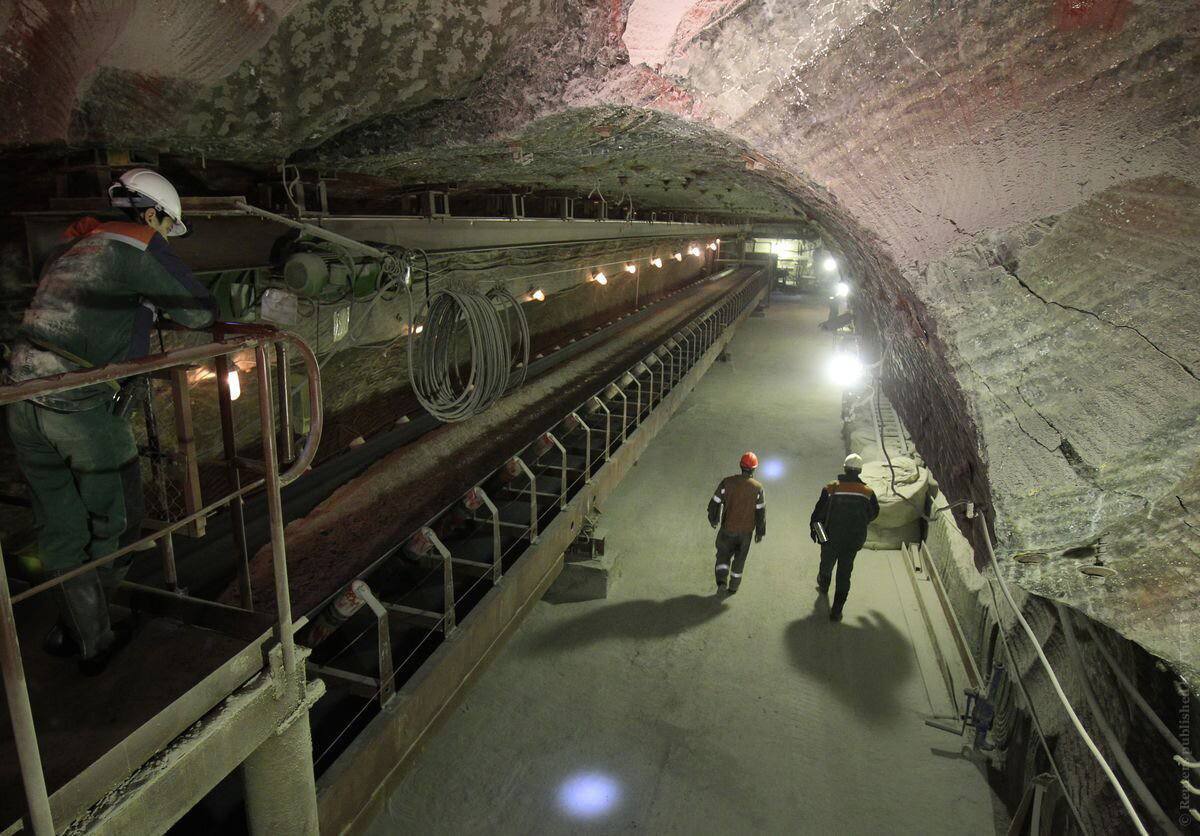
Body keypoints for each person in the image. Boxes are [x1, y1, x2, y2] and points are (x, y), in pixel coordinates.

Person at [5, 168, 217, 674]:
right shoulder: (138, 242)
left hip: (19, 397)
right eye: (166, 226)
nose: (165, 236)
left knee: (59, 526)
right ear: (151, 214)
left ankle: (77, 629)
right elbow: (199, 311)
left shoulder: (72, 245)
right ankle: (92, 638)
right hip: (76, 406)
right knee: (117, 519)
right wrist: (150, 299)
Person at [809, 453, 879, 621]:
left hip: (830, 538)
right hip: (852, 541)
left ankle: (824, 584)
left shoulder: (831, 488)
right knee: (844, 574)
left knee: (826, 564)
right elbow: (873, 513)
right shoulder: (868, 493)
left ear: (845, 468)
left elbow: (818, 515)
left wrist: (818, 534)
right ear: (860, 471)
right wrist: (860, 523)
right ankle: (837, 611)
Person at [706, 451, 766, 594]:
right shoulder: (758, 488)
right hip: (746, 533)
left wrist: (714, 519)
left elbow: (715, 502)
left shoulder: (727, 482)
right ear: (754, 469)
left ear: (740, 465)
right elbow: (760, 512)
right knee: (739, 560)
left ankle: (721, 582)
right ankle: (733, 586)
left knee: (723, 556)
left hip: (728, 529)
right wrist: (760, 532)